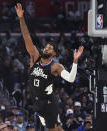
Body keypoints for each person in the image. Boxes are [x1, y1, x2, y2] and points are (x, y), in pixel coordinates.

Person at [15, 3, 84, 131]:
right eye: (47, 46)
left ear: (54, 54)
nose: (47, 47)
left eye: (51, 48)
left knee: (51, 129)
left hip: (49, 102)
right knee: (57, 128)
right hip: (37, 101)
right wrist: (21, 18)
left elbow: (71, 79)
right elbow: (26, 37)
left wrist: (75, 61)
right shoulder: (35, 57)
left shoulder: (55, 66)